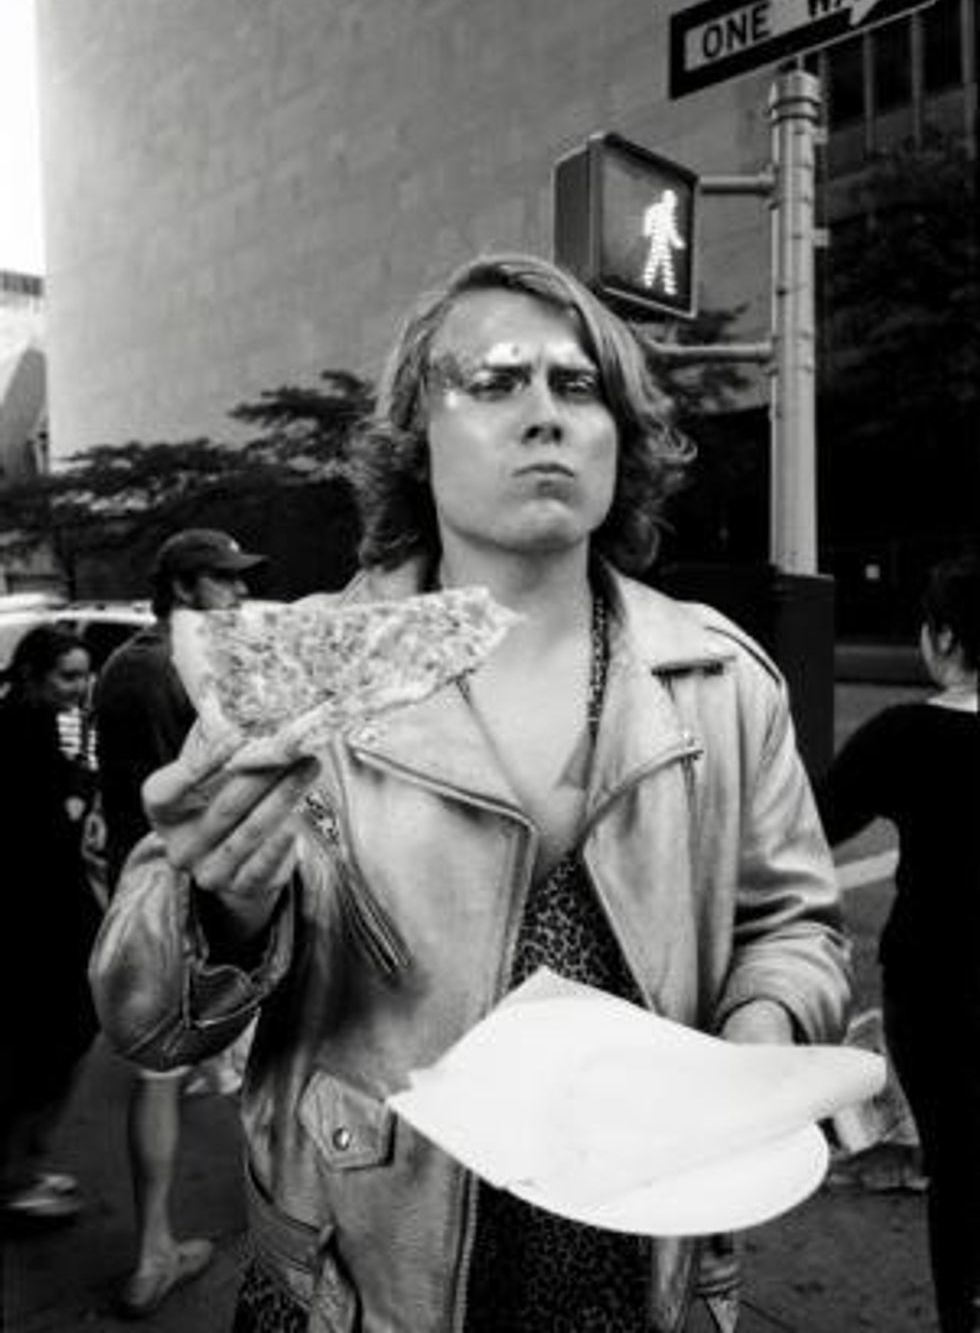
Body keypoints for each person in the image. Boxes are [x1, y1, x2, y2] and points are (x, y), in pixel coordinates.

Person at [92, 253, 851, 1333]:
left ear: (619, 434)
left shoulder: (722, 680)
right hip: (356, 1289)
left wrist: (762, 1031)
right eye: (493, 382)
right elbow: (147, 1025)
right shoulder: (306, 671)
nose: (545, 412)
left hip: (644, 1273)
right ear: (418, 437)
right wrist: (219, 906)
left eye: (576, 384)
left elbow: (792, 924)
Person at [94, 527, 265, 1317]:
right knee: (265, 1060)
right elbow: (211, 787)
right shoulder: (180, 668)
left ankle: (153, 1251)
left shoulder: (124, 664)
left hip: (141, 891)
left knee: (157, 1072)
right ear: (185, 587)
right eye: (224, 579)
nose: (239, 591)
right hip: (199, 893)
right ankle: (293, 1209)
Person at [817, 554, 980, 1333]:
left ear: (943, 637)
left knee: (959, 1162)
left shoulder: (905, 736)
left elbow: (811, 826)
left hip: (936, 979)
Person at [0, 625, 100, 1224]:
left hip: (40, 911)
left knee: (46, 1043)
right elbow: (46, 826)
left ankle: (23, 1170)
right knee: (48, 1044)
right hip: (37, 918)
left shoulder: (32, 719)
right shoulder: (24, 727)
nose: (80, 687)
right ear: (33, 675)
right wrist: (78, 792)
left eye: (84, 675)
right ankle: (15, 1180)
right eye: (68, 676)